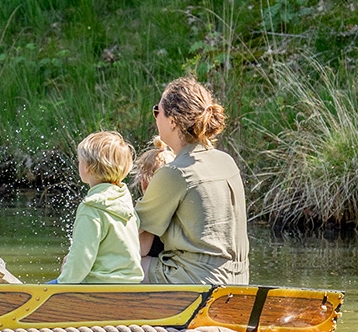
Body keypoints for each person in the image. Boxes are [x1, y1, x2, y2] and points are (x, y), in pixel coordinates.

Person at [136, 76, 250, 285]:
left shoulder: (175, 172)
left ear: (172, 122)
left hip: (197, 283)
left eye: (157, 111)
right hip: (239, 282)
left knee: (118, 265)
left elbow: (134, 240)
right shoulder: (227, 161)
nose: (155, 117)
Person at [56, 131, 144, 284]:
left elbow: (82, 258)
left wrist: (62, 283)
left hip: (99, 286)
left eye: (80, 161)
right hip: (130, 286)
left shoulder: (91, 207)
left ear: (87, 167)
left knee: (42, 294)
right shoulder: (125, 201)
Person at [131, 135, 174, 259]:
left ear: (143, 181)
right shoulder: (177, 203)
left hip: (159, 267)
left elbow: (142, 249)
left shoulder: (152, 209)